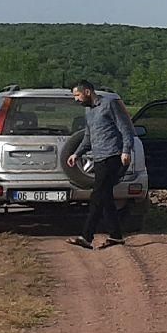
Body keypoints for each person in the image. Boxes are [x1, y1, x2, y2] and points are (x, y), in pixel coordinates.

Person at [66, 81, 137, 249]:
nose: (76, 99)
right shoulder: (89, 112)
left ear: (88, 92)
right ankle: (116, 236)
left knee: (97, 196)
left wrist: (126, 150)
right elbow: (88, 137)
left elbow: (126, 128)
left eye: (77, 95)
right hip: (98, 159)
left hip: (113, 156)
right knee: (105, 197)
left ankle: (86, 237)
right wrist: (77, 154)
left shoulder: (109, 105)